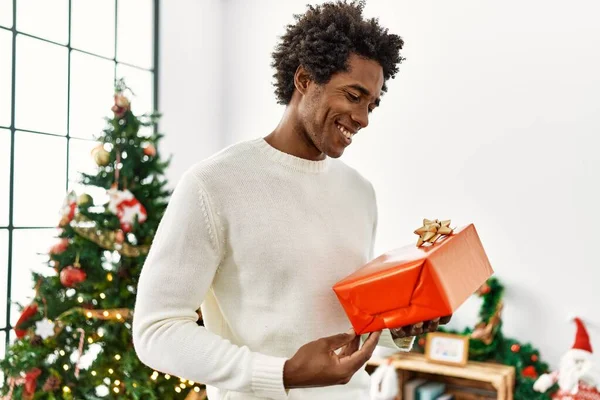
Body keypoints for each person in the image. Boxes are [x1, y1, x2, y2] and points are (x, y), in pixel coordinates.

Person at [132, 1, 450, 399]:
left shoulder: (360, 192)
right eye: (354, 95)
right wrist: (282, 373)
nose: (365, 117)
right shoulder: (212, 185)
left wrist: (397, 327)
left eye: (372, 104)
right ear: (303, 79)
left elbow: (335, 316)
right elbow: (155, 330)